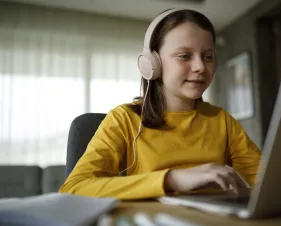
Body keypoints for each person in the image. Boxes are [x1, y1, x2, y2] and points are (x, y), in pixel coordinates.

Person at [59, 9, 261, 200]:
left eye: (208, 57)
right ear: (152, 63)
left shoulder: (221, 120)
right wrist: (171, 179)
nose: (200, 66)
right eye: (184, 56)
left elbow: (266, 180)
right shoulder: (124, 120)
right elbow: (73, 189)